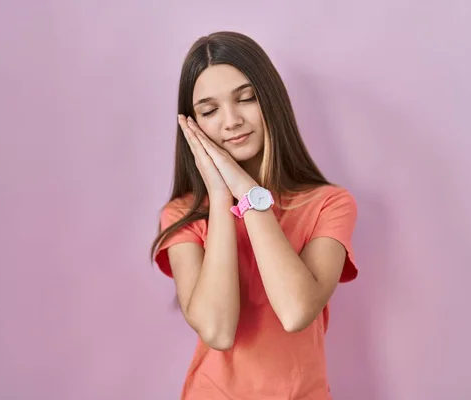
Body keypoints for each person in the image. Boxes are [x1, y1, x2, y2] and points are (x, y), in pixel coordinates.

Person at [150, 31, 358, 400]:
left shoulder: (328, 204)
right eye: (210, 111)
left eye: (246, 99)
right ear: (192, 125)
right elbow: (218, 330)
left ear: (272, 101)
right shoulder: (182, 215)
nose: (231, 121)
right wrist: (218, 195)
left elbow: (295, 312)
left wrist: (248, 194)